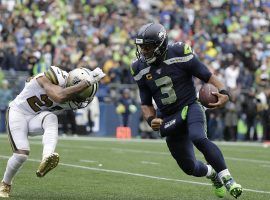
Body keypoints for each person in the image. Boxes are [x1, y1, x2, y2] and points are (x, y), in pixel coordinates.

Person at [131, 23, 242, 199]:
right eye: (141, 47)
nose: (144, 51)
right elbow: (145, 102)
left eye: (148, 46)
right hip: (168, 117)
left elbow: (207, 75)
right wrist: (151, 119)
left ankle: (227, 178)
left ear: (160, 45)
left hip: (190, 106)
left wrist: (223, 91)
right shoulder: (138, 67)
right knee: (189, 167)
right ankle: (212, 174)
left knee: (198, 137)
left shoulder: (179, 52)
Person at [0, 66, 105, 198]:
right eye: (79, 96)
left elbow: (64, 97)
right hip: (18, 113)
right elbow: (59, 96)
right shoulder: (54, 76)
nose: (79, 101)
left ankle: (47, 157)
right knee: (21, 155)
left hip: (35, 118)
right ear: (73, 83)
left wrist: (86, 84)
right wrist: (86, 83)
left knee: (51, 118)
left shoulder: (72, 95)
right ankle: (5, 183)